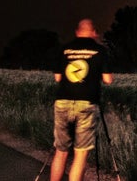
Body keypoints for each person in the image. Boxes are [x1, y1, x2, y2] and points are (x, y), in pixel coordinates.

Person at [50, 18, 113, 181]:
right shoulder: (100, 50)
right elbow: (107, 79)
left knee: (61, 152)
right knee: (80, 154)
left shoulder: (65, 49)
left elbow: (57, 78)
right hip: (86, 103)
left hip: (62, 101)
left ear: (77, 32)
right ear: (93, 32)